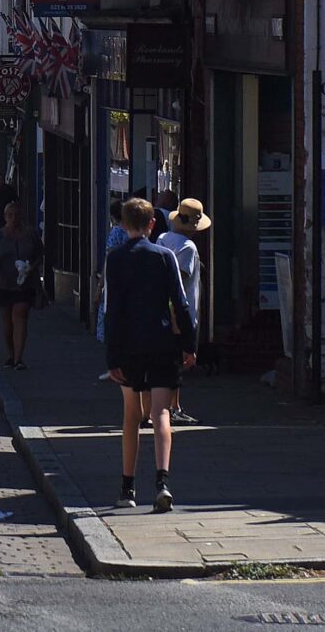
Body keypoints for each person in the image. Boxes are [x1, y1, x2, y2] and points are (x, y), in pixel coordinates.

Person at [100, 197, 195, 513]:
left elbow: (112, 311)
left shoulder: (115, 259)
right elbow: (180, 305)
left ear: (124, 224)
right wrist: (189, 345)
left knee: (130, 415)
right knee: (161, 414)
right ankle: (163, 483)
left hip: (129, 346)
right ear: (152, 224)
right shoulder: (165, 257)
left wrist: (111, 357)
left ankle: (128, 487)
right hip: (161, 342)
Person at [154, 199, 210, 423]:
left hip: (163, 308)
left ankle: (171, 405)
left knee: (172, 360)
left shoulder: (162, 238)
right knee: (179, 359)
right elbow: (181, 278)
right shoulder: (188, 247)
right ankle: (172, 407)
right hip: (180, 309)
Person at [0, 200, 41, 370]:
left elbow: (40, 254)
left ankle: (19, 358)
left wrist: (31, 268)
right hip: (4, 282)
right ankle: (10, 355)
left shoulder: (30, 234)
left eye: (16, 215)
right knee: (7, 321)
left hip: (25, 283)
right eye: (10, 215)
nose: (13, 218)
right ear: (5, 217)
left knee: (20, 314)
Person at [94, 199, 136, 382]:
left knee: (112, 326)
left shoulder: (115, 233)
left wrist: (100, 285)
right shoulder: (131, 234)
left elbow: (109, 261)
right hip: (131, 285)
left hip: (115, 285)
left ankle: (115, 368)